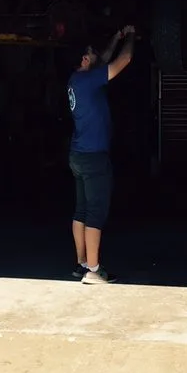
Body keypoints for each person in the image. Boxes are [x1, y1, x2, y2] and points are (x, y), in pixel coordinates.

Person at [67, 25, 136, 284]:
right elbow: (124, 60)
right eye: (91, 52)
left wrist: (116, 37)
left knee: (82, 210)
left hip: (78, 154)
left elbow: (103, 60)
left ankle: (82, 263)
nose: (96, 54)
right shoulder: (88, 81)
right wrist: (132, 37)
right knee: (96, 212)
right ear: (85, 59)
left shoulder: (76, 80)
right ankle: (94, 271)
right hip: (94, 156)